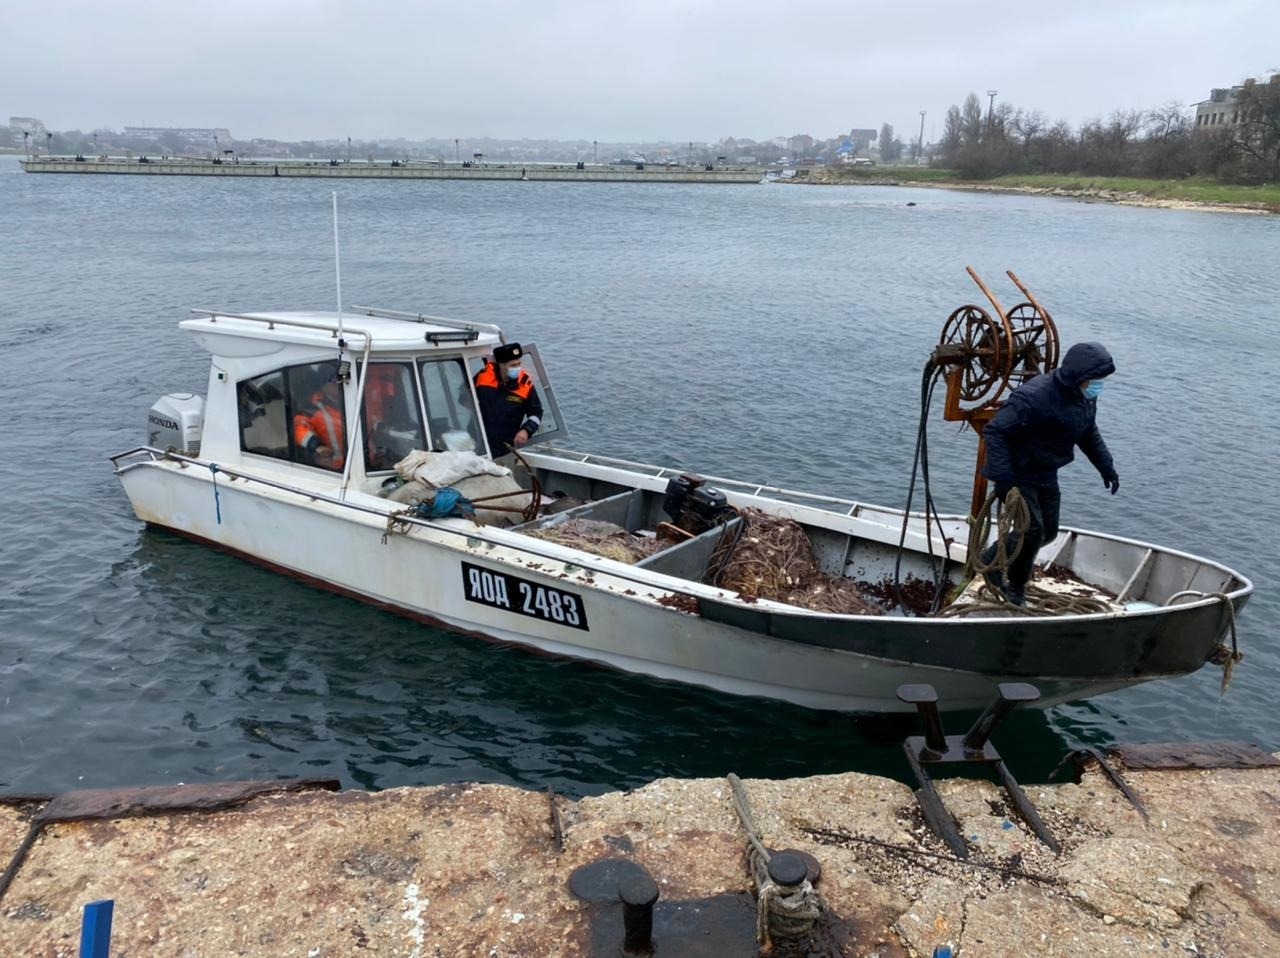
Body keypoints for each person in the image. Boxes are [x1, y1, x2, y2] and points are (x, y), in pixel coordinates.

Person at [980, 342, 1120, 606]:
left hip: (1046, 471)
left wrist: (1106, 466)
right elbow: (995, 432)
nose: (1098, 385)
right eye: (1095, 380)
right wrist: (1003, 479)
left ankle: (994, 561)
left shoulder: (1085, 396)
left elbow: (1087, 431)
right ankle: (1015, 586)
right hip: (1018, 472)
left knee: (1049, 532)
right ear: (1078, 377)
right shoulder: (1035, 397)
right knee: (1031, 531)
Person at [473, 342, 542, 461]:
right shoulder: (483, 378)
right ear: (501, 364)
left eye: (519, 364)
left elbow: (536, 413)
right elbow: (464, 398)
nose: (517, 368)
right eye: (513, 365)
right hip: (478, 441)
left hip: (504, 447)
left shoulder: (525, 385)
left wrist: (526, 430)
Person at [293, 375, 346, 470]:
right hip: (332, 470)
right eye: (334, 382)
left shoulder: (352, 400)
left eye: (340, 381)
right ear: (324, 385)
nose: (338, 384)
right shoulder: (312, 408)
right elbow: (298, 429)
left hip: (365, 464)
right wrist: (317, 446)